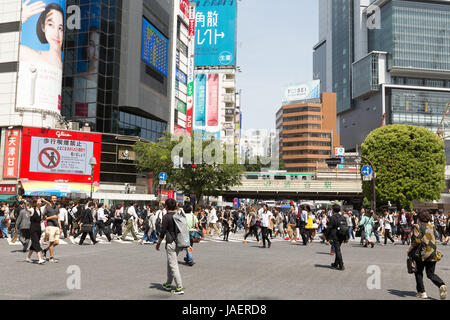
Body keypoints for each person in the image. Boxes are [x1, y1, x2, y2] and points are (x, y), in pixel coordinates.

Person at [408, 211, 447, 300]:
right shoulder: (431, 227)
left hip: (422, 254)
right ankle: (441, 284)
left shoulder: (417, 226)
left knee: (418, 272)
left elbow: (417, 240)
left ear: (419, 219)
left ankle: (422, 292)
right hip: (433, 253)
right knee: (431, 274)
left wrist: (409, 249)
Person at [156, 199, 191, 295]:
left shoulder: (166, 217)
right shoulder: (178, 215)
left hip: (171, 242)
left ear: (166, 206)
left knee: (173, 265)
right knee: (170, 262)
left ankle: (179, 286)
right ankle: (168, 283)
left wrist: (158, 243)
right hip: (179, 242)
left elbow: (163, 231)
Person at [41, 195, 62, 263]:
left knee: (57, 242)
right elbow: (43, 219)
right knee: (52, 242)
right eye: (53, 198)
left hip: (56, 227)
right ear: (50, 199)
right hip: (50, 226)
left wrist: (60, 227)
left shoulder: (57, 208)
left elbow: (58, 218)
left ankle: (45, 250)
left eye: (55, 198)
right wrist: (52, 217)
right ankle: (51, 258)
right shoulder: (47, 207)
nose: (54, 199)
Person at [325, 204, 346, 271]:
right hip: (342, 235)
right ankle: (335, 263)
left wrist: (326, 236)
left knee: (337, 250)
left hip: (336, 235)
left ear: (333, 210)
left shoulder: (333, 217)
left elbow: (329, 227)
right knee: (338, 248)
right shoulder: (343, 217)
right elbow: (345, 227)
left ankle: (341, 265)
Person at [25, 199, 46, 264]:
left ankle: (28, 257)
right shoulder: (32, 209)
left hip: (38, 228)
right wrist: (26, 204)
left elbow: (48, 204)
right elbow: (27, 210)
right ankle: (40, 259)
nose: (40, 202)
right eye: (39, 201)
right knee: (36, 243)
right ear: (36, 203)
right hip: (33, 228)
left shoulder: (40, 209)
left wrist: (44, 200)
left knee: (33, 244)